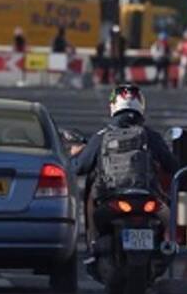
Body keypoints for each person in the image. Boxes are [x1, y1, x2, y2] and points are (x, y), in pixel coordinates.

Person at [71, 84, 179, 248]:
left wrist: (72, 155)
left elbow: (80, 168)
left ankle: (92, 243)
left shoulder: (102, 136)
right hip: (147, 195)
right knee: (168, 218)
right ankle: (169, 245)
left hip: (111, 195)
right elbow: (172, 165)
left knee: (91, 199)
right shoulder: (150, 135)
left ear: (114, 106)